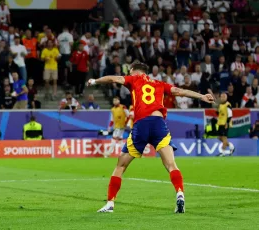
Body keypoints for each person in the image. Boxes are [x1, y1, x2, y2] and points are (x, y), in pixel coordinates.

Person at [86, 61, 214, 213]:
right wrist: (202, 97)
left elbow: (113, 79)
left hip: (141, 124)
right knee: (171, 164)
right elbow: (179, 91)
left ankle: (110, 204)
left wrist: (95, 80)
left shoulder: (133, 79)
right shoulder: (159, 83)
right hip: (158, 123)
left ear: (133, 70)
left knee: (121, 165)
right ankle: (180, 193)